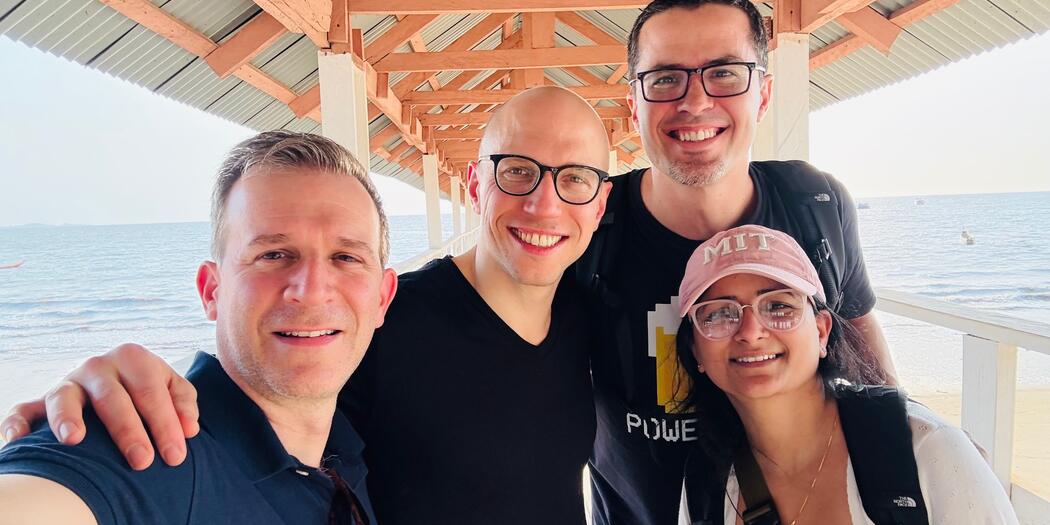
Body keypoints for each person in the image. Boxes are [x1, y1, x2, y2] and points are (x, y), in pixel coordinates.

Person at [1, 86, 613, 525]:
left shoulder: (595, 318)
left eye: (575, 179)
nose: (544, 205)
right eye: (518, 173)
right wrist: (107, 395)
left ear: (600, 202)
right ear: (476, 185)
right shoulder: (375, 332)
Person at [579, 1, 898, 522]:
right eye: (664, 79)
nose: (696, 102)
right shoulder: (592, 224)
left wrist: (910, 443)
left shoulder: (815, 205)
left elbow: (863, 344)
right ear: (633, 101)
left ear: (764, 93)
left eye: (725, 73)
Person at [0, 131, 398, 524]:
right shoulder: (148, 450)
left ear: (382, 298)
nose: (311, 292)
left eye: (345, 257)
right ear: (212, 291)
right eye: (273, 254)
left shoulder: (347, 453)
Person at [671, 224, 1017, 524]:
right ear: (696, 350)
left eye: (778, 305)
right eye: (718, 314)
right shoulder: (706, 483)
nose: (750, 331)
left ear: (821, 331)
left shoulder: (924, 448)